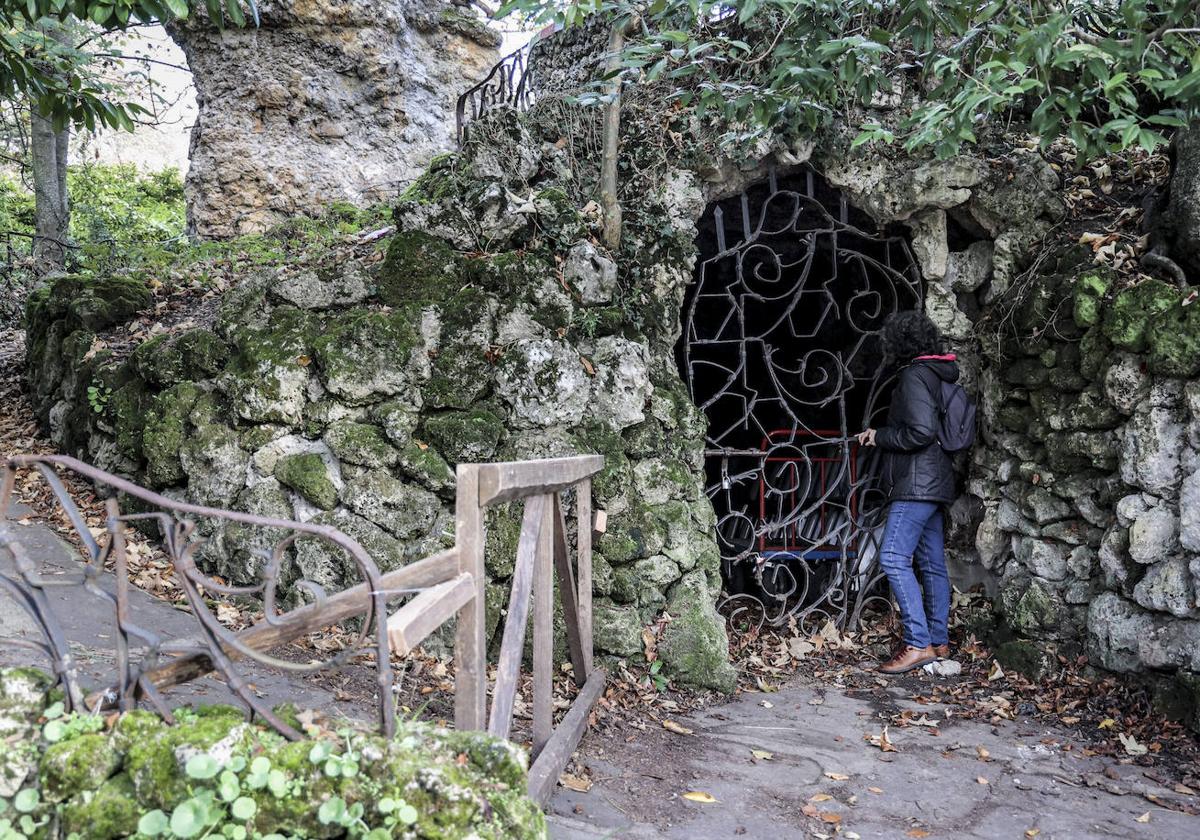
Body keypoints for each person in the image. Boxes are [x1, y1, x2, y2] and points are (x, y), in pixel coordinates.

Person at [856, 311, 960, 674]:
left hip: (917, 483)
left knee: (894, 557)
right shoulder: (940, 373)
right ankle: (939, 641)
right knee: (932, 563)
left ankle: (918, 644)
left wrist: (879, 435)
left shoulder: (916, 375)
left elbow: (919, 431)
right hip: (938, 481)